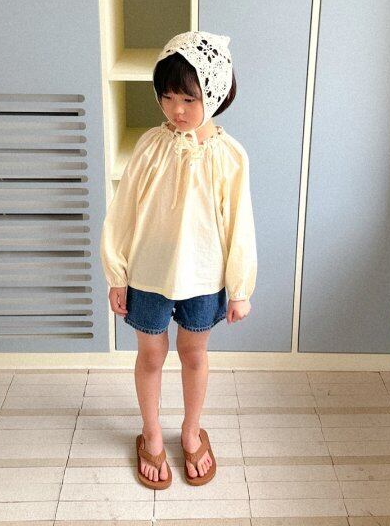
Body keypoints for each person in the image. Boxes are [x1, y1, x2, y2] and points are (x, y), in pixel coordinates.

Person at [100, 30, 257, 490]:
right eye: (167, 97)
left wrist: (240, 288)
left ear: (215, 94)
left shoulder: (230, 156)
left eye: (189, 99)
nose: (176, 110)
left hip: (204, 279)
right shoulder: (151, 145)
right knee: (151, 354)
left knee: (194, 354)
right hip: (149, 275)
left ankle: (191, 431)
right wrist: (117, 273)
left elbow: (239, 224)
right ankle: (151, 432)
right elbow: (124, 210)